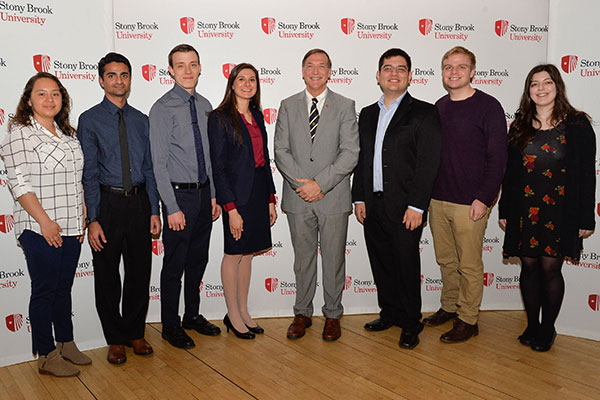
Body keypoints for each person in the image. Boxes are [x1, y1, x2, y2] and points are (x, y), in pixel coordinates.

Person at [499, 64, 595, 351]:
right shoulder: (519, 124)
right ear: (528, 90)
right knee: (528, 268)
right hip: (524, 209)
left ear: (557, 87)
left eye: (547, 82)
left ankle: (547, 328)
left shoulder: (577, 125)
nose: (541, 88)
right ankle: (532, 325)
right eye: (534, 84)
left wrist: (586, 217)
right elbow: (509, 174)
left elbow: (586, 174)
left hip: (561, 211)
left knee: (551, 270)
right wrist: (505, 210)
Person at [0, 72, 91, 376]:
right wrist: (45, 222)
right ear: (28, 100)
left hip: (70, 226)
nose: (49, 99)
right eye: (41, 93)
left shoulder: (68, 134)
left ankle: (65, 342)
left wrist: (81, 214)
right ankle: (46, 354)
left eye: (55, 93)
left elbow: (76, 180)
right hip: (40, 228)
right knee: (44, 291)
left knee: (63, 289)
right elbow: (20, 184)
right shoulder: (20, 134)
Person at [352, 48, 441, 349]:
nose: (394, 73)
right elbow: (362, 159)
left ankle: (411, 321)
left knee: (406, 265)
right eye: (388, 68)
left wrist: (417, 205)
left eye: (401, 68)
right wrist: (359, 198)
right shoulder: (367, 114)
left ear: (410, 76)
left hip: (406, 207)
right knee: (381, 262)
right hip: (372, 204)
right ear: (378, 75)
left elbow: (428, 163)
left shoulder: (425, 113)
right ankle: (389, 312)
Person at [78, 52, 161, 364]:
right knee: (107, 276)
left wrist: (154, 210)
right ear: (101, 80)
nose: (118, 81)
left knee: (139, 272)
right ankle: (114, 339)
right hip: (107, 204)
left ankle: (135, 333)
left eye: (124, 75)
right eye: (111, 75)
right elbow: (89, 173)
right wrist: (93, 218)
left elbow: (150, 169)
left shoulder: (142, 120)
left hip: (139, 202)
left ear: (130, 79)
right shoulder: (89, 120)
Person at [275, 49, 359, 341]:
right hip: (298, 197)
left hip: (333, 197)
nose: (315, 71)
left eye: (322, 66)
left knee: (334, 260)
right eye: (310, 65)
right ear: (302, 71)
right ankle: (302, 313)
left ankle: (333, 314)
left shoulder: (345, 105)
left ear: (329, 72)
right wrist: (304, 185)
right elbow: (281, 151)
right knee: (303, 261)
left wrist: (320, 185)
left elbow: (350, 152)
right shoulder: (287, 105)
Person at [424, 46, 507, 343]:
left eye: (461, 66)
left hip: (470, 202)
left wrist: (484, 198)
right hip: (438, 199)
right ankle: (449, 307)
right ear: (442, 72)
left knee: (469, 265)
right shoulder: (439, 106)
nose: (454, 72)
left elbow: (498, 158)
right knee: (446, 260)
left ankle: (469, 319)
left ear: (472, 72)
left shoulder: (489, 106)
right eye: (448, 66)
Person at [149, 44, 221, 349]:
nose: (188, 71)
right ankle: (170, 325)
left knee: (198, 260)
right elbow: (159, 163)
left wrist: (213, 195)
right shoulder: (162, 108)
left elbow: (210, 156)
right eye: (180, 65)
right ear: (170, 71)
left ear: (200, 67)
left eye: (193, 64)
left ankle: (192, 315)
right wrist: (171, 207)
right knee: (174, 265)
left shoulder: (205, 105)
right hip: (179, 198)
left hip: (204, 196)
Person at [208, 63, 277, 339]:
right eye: (242, 79)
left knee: (248, 253)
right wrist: (231, 209)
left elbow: (264, 160)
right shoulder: (219, 118)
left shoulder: (257, 115)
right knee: (234, 253)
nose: (247, 84)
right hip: (235, 197)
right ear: (232, 84)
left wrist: (270, 198)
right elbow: (219, 167)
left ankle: (243, 311)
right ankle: (232, 314)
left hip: (258, 193)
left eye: (252, 80)